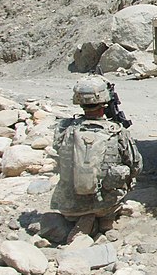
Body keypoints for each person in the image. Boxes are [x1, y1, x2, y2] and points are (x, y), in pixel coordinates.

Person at [50, 76, 142, 234]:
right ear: (104, 101)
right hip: (105, 206)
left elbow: (59, 157)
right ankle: (103, 219)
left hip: (69, 207)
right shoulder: (117, 131)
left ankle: (84, 219)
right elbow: (136, 166)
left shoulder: (64, 129)